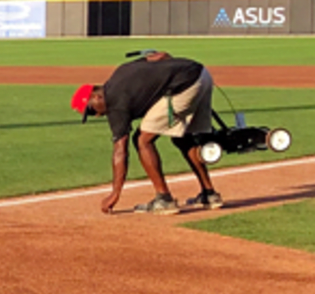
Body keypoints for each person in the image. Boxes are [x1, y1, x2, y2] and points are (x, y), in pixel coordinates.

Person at [71, 51, 223, 215]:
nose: (98, 115)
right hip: (201, 74)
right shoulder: (121, 71)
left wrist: (115, 194)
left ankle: (164, 199)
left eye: (92, 110)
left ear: (97, 95)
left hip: (184, 86)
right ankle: (209, 195)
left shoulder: (114, 103)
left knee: (142, 140)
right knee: (184, 138)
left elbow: (120, 151)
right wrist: (169, 74)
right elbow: (161, 56)